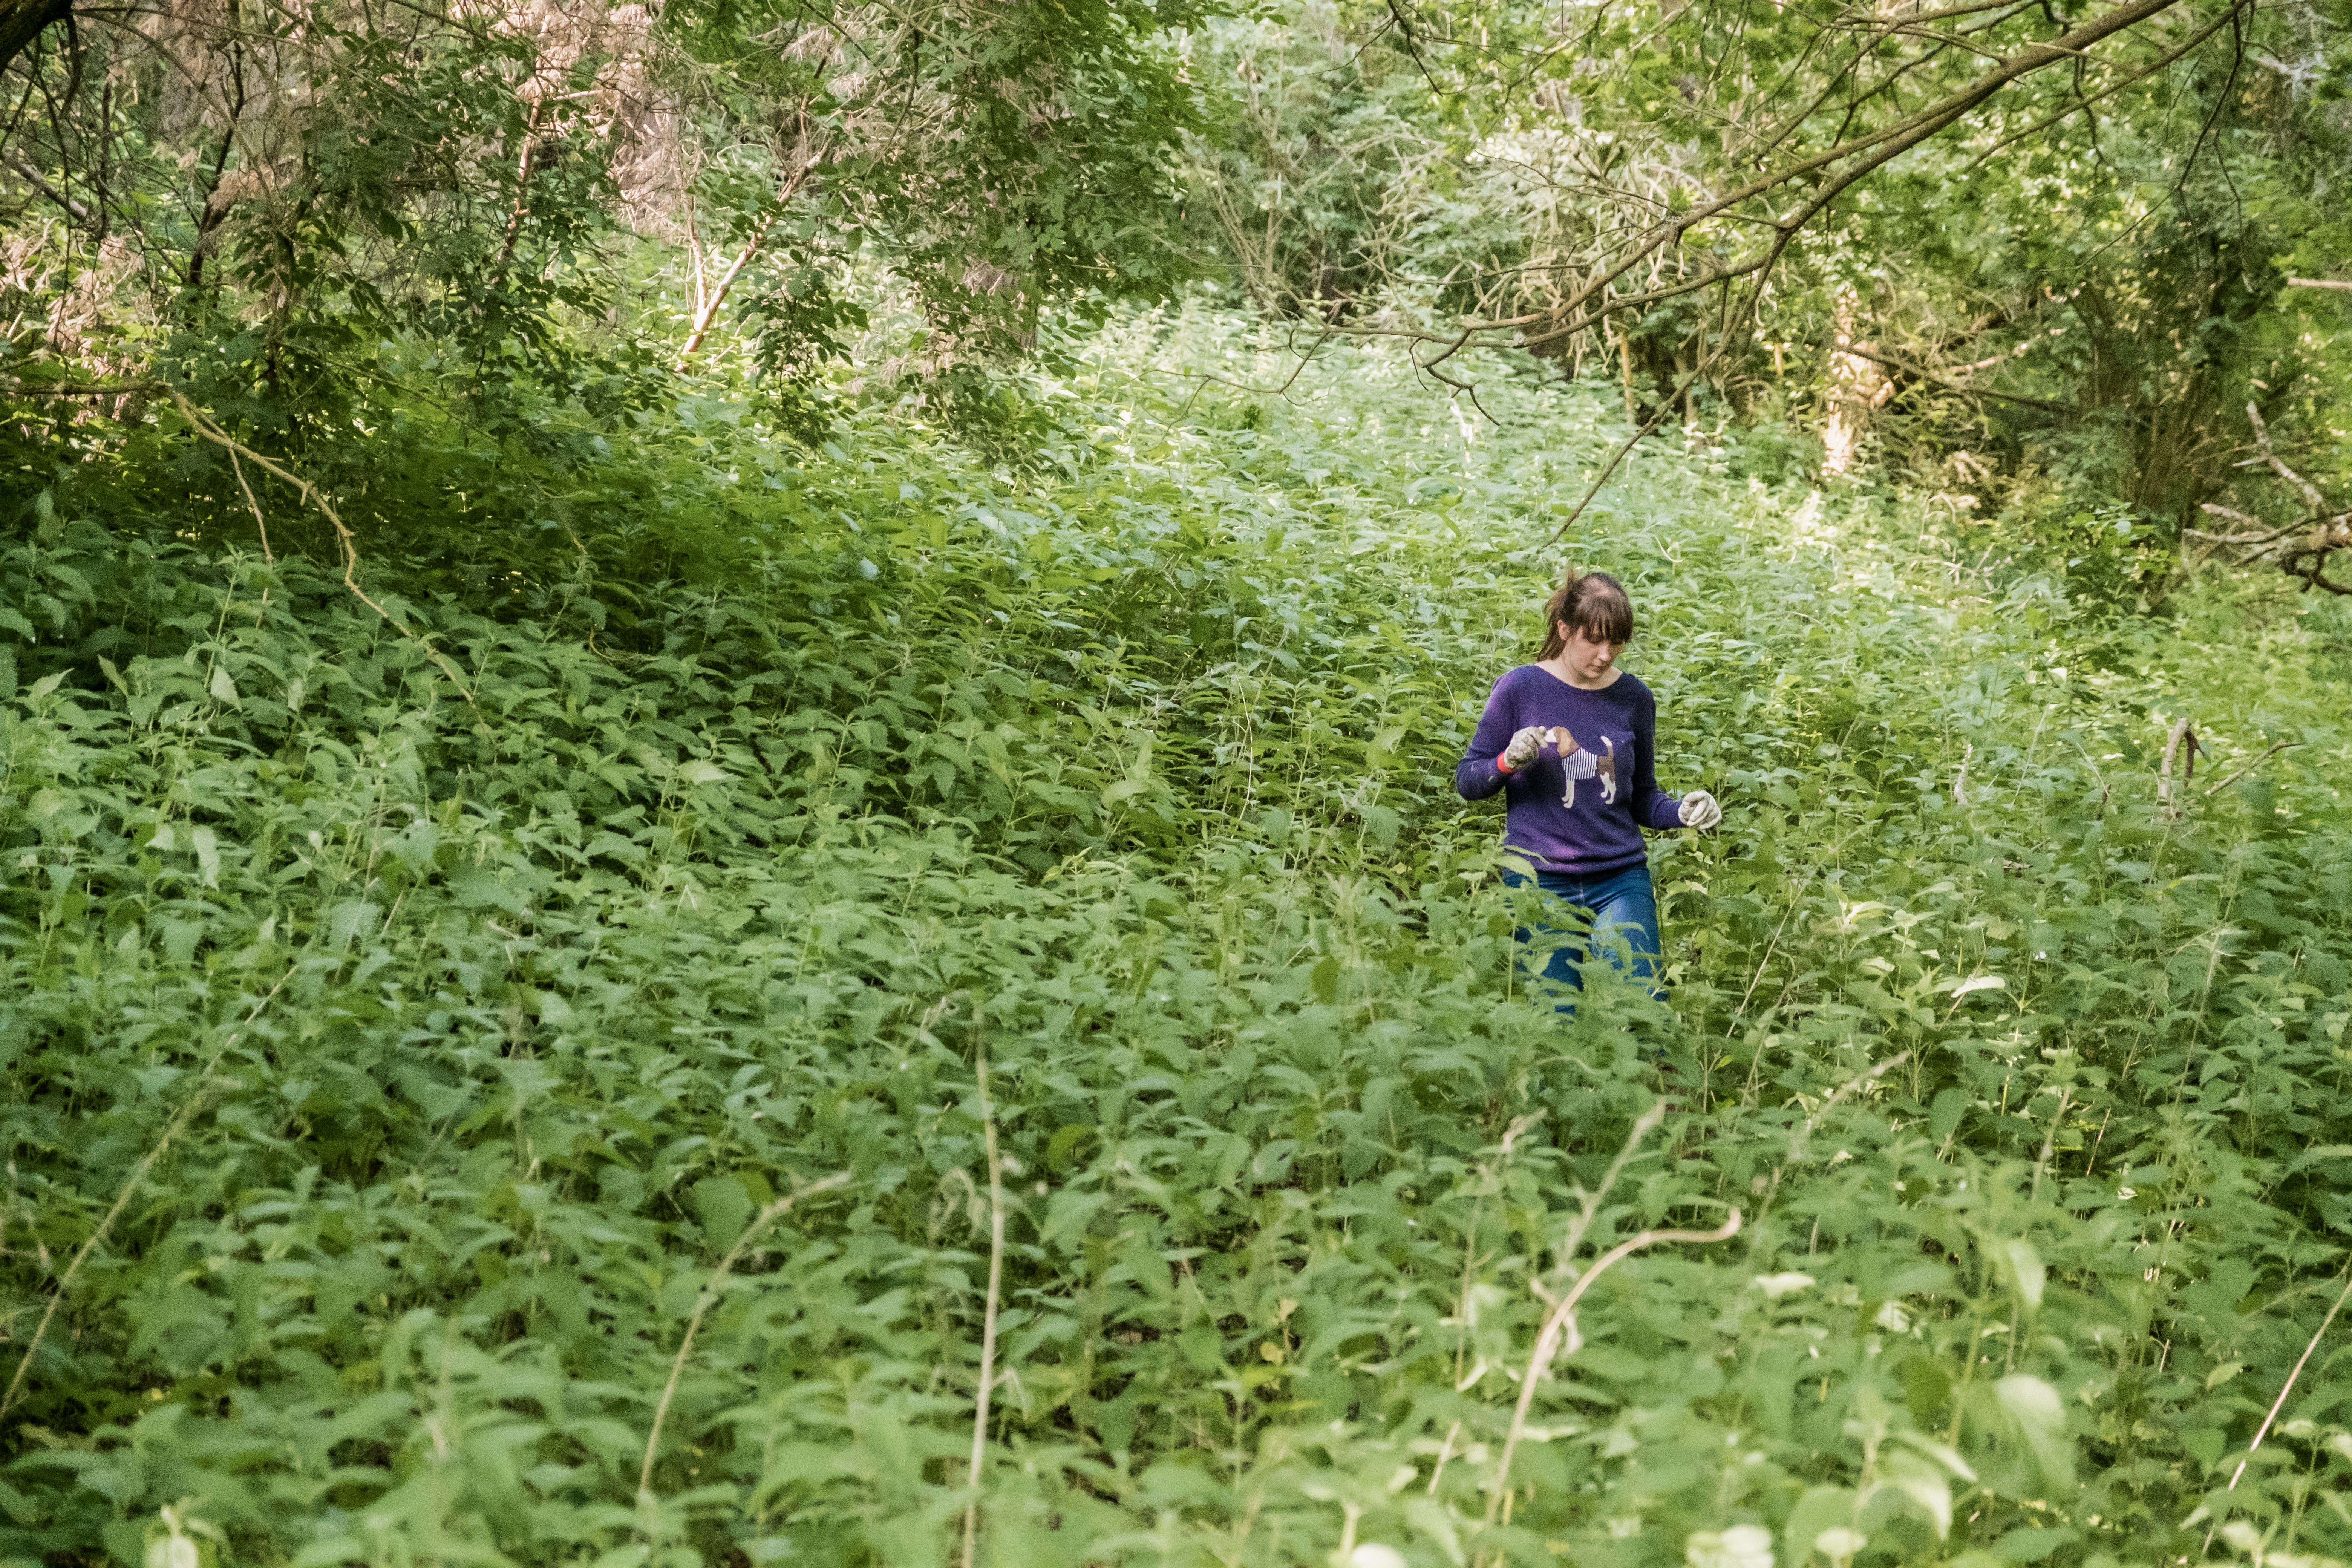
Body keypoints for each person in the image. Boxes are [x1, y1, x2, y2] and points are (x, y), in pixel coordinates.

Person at [1454, 569, 1721, 1009]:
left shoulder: (1634, 697)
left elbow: (1642, 798)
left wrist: (1683, 811)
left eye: (1616, 643)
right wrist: (1508, 760)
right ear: (1565, 629)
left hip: (1619, 878)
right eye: (1593, 640)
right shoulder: (1520, 688)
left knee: (1645, 1007)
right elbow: (1469, 780)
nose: (1604, 654)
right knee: (1552, 1018)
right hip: (1538, 881)